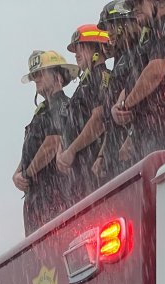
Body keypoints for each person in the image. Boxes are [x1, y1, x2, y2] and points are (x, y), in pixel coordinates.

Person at [111, 0, 165, 163]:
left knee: (158, 180)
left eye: (139, 2)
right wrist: (117, 107)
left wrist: (125, 105)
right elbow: (133, 81)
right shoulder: (148, 39)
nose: (135, 9)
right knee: (147, 183)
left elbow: (156, 71)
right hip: (145, 128)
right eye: (131, 5)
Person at [13, 50, 79, 236]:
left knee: (53, 246)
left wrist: (27, 174)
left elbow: (53, 143)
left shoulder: (62, 105)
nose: (36, 79)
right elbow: (31, 145)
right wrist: (17, 173)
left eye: (41, 74)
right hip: (37, 198)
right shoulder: (42, 112)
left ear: (57, 76)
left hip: (54, 193)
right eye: (34, 76)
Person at [56, 24, 112, 202]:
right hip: (78, 174)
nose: (76, 54)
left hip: (92, 166)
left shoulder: (101, 77)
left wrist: (71, 151)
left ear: (96, 47)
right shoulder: (83, 85)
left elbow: (99, 120)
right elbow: (67, 125)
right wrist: (61, 152)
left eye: (80, 47)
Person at [94, 0, 144, 182]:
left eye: (111, 27)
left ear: (124, 23)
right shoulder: (121, 59)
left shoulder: (140, 52)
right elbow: (110, 120)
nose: (109, 34)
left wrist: (132, 137)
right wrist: (103, 154)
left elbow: (143, 101)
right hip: (116, 149)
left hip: (133, 146)